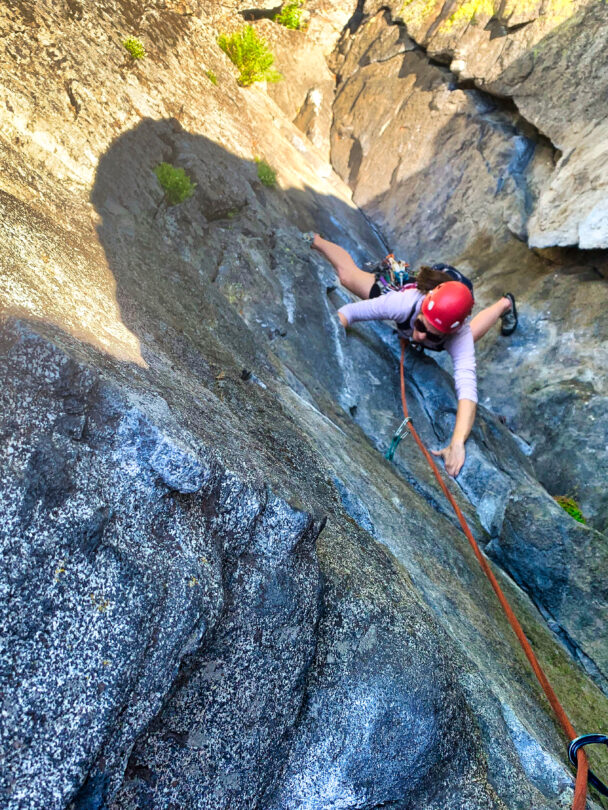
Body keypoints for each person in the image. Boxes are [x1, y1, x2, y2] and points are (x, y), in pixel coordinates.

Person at [309, 234, 517, 478]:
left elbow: (467, 391)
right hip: (414, 294)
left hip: (453, 315)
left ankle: (505, 305)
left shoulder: (458, 335)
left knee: (469, 338)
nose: (418, 337)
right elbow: (349, 312)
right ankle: (316, 240)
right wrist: (325, 340)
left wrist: (457, 443)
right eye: (419, 326)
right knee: (348, 277)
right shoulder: (403, 301)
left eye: (432, 335)